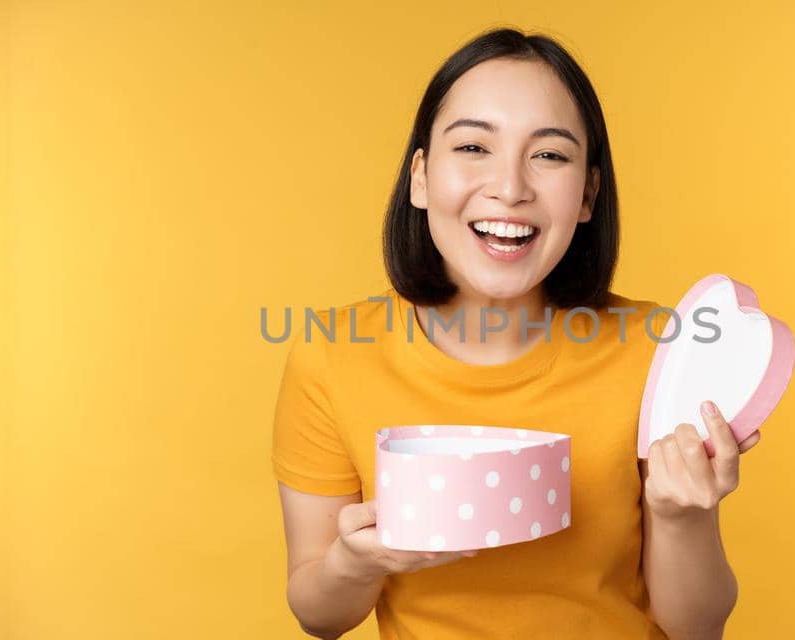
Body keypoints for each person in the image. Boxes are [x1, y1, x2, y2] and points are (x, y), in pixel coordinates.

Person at [272, 27, 761, 640]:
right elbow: (318, 615)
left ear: (588, 193)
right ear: (421, 177)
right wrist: (356, 562)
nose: (510, 187)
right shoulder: (331, 357)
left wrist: (684, 512)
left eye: (549, 155)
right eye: (474, 147)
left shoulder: (658, 349)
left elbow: (698, 629)